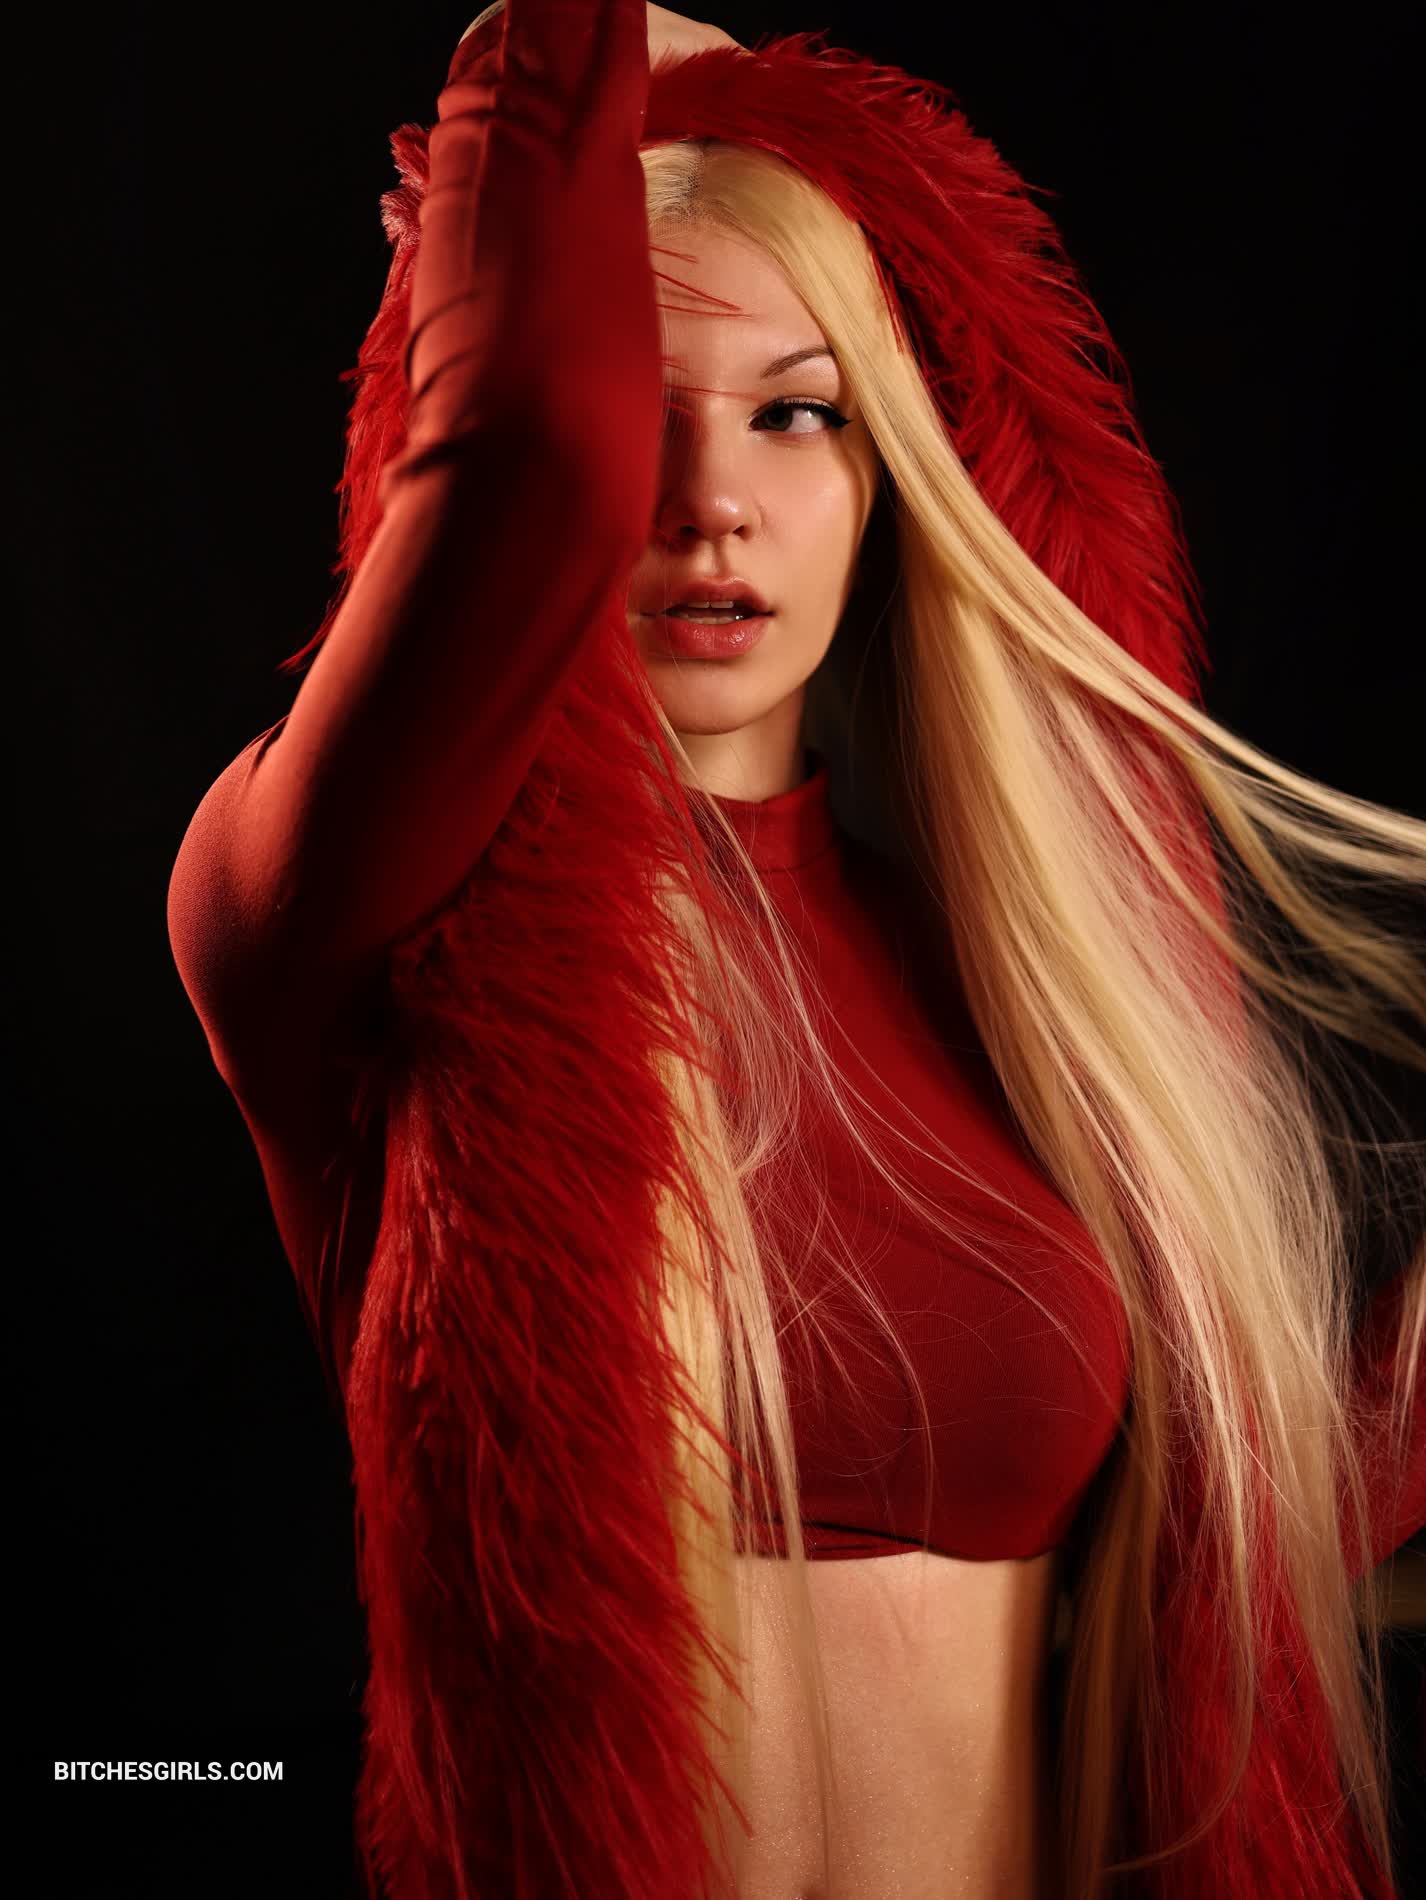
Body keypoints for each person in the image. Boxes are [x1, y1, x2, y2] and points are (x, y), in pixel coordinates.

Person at [166, 3, 1426, 1895]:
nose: (710, 502)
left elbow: (1219, 1579)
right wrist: (548, 44)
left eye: (796, 410)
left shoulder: (1026, 985)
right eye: (645, 408)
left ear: (891, 475)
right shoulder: (346, 917)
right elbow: (523, 460)